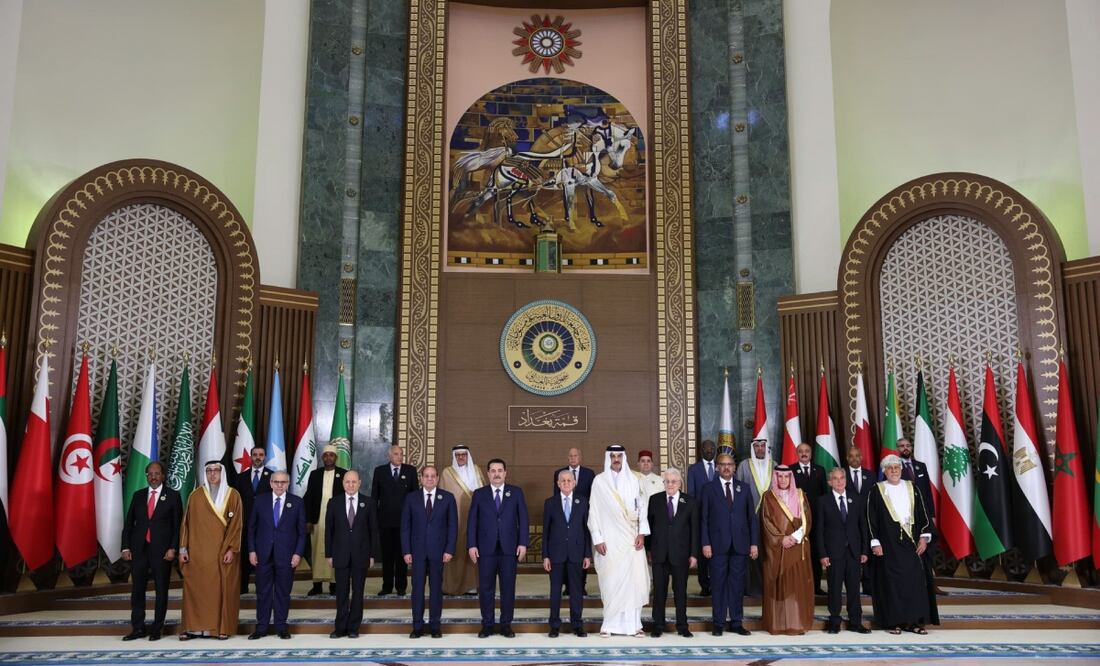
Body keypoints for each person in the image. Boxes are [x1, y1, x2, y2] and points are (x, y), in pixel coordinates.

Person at [868, 454, 939, 635]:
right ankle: (894, 622)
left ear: (901, 469)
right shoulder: (877, 490)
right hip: (888, 545)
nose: (893, 471)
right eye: (890, 468)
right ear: (884, 471)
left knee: (914, 583)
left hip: (912, 544)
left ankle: (914, 622)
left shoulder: (911, 487)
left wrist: (924, 538)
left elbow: (923, 514)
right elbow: (871, 518)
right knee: (892, 584)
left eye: (896, 468)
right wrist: (875, 542)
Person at [588, 444, 651, 637]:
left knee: (634, 582)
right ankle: (609, 625)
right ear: (608, 458)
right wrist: (597, 538)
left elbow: (642, 508)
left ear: (624, 458)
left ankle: (634, 625)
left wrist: (641, 533)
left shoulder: (634, 480)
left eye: (619, 456)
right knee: (611, 582)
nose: (616, 459)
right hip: (609, 541)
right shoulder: (599, 481)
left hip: (631, 540)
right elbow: (594, 512)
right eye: (613, 456)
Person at [179, 461, 243, 640]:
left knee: (219, 591)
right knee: (195, 590)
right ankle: (192, 628)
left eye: (216, 470)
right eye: (209, 471)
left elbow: (237, 526)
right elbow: (186, 525)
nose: (212, 474)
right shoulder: (195, 495)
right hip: (197, 555)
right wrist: (183, 549)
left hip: (221, 554)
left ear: (222, 473)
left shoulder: (233, 495)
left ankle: (220, 629)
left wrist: (231, 549)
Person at [121, 461, 182, 641]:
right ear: (146, 476)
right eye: (150, 474)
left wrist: (173, 548)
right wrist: (125, 546)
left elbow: (178, 526)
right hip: (139, 550)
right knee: (137, 590)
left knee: (161, 590)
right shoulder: (138, 495)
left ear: (163, 476)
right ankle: (138, 628)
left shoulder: (172, 496)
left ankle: (157, 628)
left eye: (157, 473)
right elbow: (129, 523)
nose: (153, 477)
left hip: (162, 551)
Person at [468, 458, 529, 638]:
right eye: (493, 470)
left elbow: (523, 520)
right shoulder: (479, 494)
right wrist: (472, 545)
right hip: (485, 549)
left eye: (500, 470)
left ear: (505, 473)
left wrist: (523, 543)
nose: (496, 474)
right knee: (486, 588)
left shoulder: (516, 493)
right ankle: (487, 624)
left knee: (508, 588)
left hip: (509, 549)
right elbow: (472, 521)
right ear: (488, 474)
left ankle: (505, 625)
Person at [700, 452, 757, 636]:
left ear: (734, 467)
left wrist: (754, 544)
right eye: (722, 464)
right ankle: (718, 623)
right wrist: (705, 543)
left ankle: (736, 622)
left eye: (730, 464)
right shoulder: (708, 489)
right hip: (717, 546)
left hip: (740, 545)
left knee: (737, 585)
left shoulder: (744, 488)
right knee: (718, 584)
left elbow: (751, 519)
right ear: (717, 467)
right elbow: (704, 520)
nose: (726, 467)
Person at [247, 470, 306, 640]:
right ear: (271, 483)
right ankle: (261, 627)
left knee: (283, 593)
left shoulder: (297, 502)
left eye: (283, 482)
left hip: (287, 557)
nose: (280, 485)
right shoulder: (260, 501)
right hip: (262, 555)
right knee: (263, 593)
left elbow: (302, 532)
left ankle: (281, 627)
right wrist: (252, 550)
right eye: (276, 482)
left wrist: (297, 554)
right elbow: (251, 529)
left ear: (288, 484)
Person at [402, 465, 457, 638]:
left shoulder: (447, 498)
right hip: (416, 552)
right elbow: (405, 527)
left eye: (433, 476)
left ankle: (435, 626)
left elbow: (452, 526)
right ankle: (417, 626)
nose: (430, 479)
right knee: (417, 590)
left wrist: (449, 549)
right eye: (426, 476)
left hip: (438, 552)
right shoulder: (411, 498)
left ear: (438, 478)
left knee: (435, 590)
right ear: (421, 478)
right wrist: (406, 551)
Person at [326, 469, 381, 638]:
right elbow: (329, 530)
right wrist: (329, 554)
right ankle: (340, 627)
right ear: (343, 483)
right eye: (347, 482)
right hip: (340, 554)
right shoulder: (333, 502)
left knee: (358, 592)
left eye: (353, 482)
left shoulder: (369, 502)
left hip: (361, 555)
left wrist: (373, 555)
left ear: (359, 483)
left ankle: (353, 628)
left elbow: (373, 530)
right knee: (341, 592)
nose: (350, 484)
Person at [760, 465, 813, 635]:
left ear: (790, 478)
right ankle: (778, 624)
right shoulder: (768, 497)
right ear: (775, 478)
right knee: (778, 586)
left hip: (797, 547)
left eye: (786, 477)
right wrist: (781, 538)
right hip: (777, 548)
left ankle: (796, 623)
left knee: (796, 586)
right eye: (780, 477)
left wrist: (795, 537)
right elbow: (766, 522)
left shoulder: (800, 495)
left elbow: (808, 519)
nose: (783, 480)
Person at [815, 467, 869, 634]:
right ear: (830, 482)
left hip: (854, 552)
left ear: (846, 480)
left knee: (854, 588)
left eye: (842, 478)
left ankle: (855, 621)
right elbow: (819, 530)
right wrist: (822, 554)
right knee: (834, 588)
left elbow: (863, 527)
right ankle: (835, 621)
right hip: (833, 553)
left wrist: (864, 551)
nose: (839, 481)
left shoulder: (856, 499)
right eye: (835, 479)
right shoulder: (823, 501)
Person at [646, 467, 697, 638]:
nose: (670, 484)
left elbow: (694, 531)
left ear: (680, 483)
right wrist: (648, 550)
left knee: (680, 592)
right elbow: (649, 527)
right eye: (667, 481)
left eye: (673, 481)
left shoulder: (689, 501)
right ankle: (658, 625)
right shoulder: (654, 500)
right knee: (659, 592)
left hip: (680, 555)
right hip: (659, 553)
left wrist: (693, 554)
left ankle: (682, 626)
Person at [542, 469, 591, 638]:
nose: (566, 483)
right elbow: (546, 532)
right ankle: (554, 625)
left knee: (576, 591)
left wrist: (587, 554)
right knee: (555, 591)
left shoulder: (583, 502)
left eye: (569, 480)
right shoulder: (550, 503)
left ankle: (577, 624)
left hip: (577, 554)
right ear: (557, 484)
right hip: (556, 554)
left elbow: (586, 530)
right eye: (562, 481)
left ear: (574, 483)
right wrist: (545, 556)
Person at [371, 444, 419, 596]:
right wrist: (373, 519)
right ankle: (386, 586)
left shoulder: (410, 471)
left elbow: (415, 497)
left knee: (402, 555)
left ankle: (401, 586)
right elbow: (374, 497)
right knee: (387, 556)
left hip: (404, 523)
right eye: (397, 454)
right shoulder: (380, 471)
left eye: (401, 454)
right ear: (389, 456)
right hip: (385, 521)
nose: (400, 457)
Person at [440, 444, 485, 595]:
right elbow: (442, 499)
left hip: (475, 518)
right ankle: (452, 586)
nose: (460, 457)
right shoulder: (447, 473)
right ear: (454, 456)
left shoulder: (477, 471)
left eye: (463, 454)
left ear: (468, 456)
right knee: (456, 551)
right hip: (455, 519)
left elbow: (485, 494)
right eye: (457, 455)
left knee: (473, 551)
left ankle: (472, 586)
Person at [304, 444, 347, 596]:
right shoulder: (315, 474)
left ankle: (334, 584)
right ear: (322, 457)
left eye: (332, 455)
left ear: (336, 458)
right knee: (316, 550)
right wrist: (308, 520)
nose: (328, 457)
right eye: (326, 455)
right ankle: (317, 584)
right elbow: (308, 498)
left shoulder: (343, 474)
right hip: (317, 518)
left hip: (337, 520)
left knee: (335, 549)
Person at [735, 437, 773, 596]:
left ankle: (768, 587)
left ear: (766, 448)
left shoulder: (775, 465)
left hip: (770, 519)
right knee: (752, 553)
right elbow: (738, 490)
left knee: (768, 553)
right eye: (756, 446)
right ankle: (752, 589)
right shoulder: (744, 465)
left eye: (762, 446)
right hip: (749, 517)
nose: (759, 449)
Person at [233, 445, 272, 593]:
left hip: (265, 524)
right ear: (250, 457)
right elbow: (236, 500)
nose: (258, 457)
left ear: (265, 457)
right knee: (244, 555)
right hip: (244, 522)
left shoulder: (273, 477)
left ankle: (260, 586)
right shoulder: (240, 477)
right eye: (255, 455)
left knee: (263, 555)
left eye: (261, 455)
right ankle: (243, 586)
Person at [793, 442, 827, 595]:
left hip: (816, 518)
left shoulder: (819, 470)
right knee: (798, 553)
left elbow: (824, 494)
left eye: (807, 451)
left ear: (811, 453)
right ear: (797, 453)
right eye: (801, 451)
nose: (804, 454)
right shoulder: (791, 470)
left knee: (815, 551)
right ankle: (798, 585)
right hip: (798, 518)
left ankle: (816, 586)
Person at [687, 439, 717, 595]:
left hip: (719, 519)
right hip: (700, 517)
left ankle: (716, 584)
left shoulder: (721, 468)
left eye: (712, 448)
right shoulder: (693, 469)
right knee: (703, 552)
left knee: (717, 552)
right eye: (706, 448)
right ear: (701, 450)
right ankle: (704, 585)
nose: (710, 451)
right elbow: (691, 495)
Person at [896, 438, 935, 525]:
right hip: (904, 512)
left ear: (911, 448)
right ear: (897, 449)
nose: (905, 448)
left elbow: (928, 491)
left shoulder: (921, 466)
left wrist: (932, 514)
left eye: (908, 446)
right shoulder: (894, 467)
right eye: (902, 446)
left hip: (923, 510)